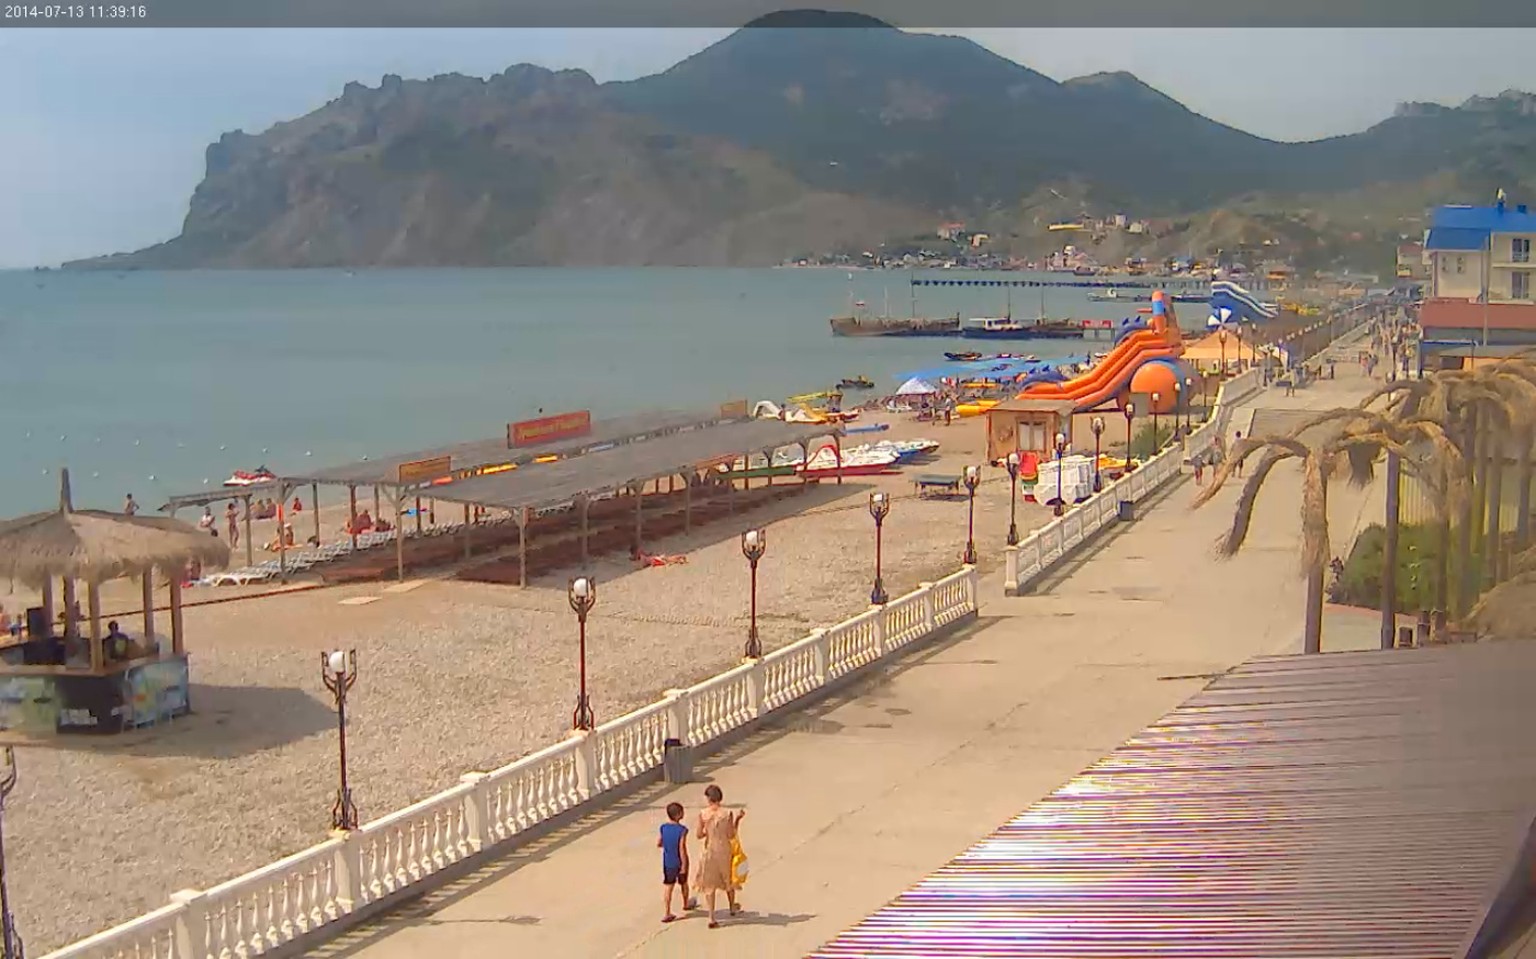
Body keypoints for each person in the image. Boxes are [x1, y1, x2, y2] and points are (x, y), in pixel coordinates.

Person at [695, 784, 745, 928]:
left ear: (708, 798)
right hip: (724, 849)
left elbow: (699, 835)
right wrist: (738, 820)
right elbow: (731, 834)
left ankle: (711, 917)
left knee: (709, 885)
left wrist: (708, 831)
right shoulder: (727, 813)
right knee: (728, 879)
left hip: (709, 850)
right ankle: (732, 907)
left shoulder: (703, 814)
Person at [658, 802, 696, 922]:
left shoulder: (663, 827)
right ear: (679, 814)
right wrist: (684, 865)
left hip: (668, 862)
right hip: (679, 861)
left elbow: (659, 843)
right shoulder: (682, 830)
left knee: (668, 886)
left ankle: (667, 912)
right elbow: (682, 849)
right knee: (683, 883)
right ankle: (686, 903)